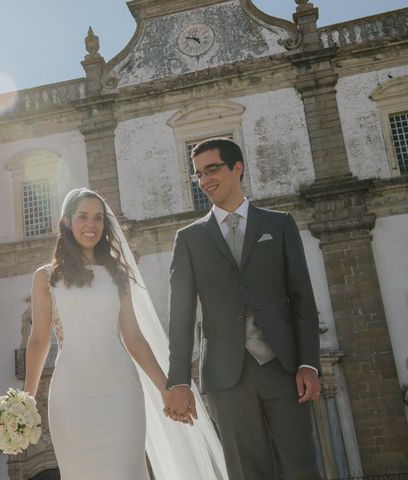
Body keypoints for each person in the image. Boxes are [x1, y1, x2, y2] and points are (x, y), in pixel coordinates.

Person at [24, 188, 227, 480]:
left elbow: (134, 337)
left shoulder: (116, 274)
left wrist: (165, 388)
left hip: (121, 392)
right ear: (67, 222)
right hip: (71, 395)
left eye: (98, 218)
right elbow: (39, 339)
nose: (91, 225)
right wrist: (26, 399)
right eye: (82, 217)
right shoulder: (46, 277)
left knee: (127, 471)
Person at [164, 137, 323, 480]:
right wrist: (178, 381)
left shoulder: (279, 225)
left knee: (302, 468)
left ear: (237, 168)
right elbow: (181, 316)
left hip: (283, 369)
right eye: (198, 174)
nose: (204, 180)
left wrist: (309, 362)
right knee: (247, 473)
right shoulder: (189, 239)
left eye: (212, 169)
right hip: (225, 377)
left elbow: (302, 299)